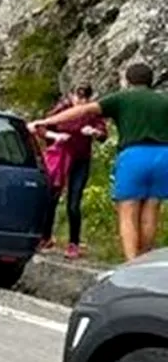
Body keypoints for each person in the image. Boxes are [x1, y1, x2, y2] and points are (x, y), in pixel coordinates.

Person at [29, 63, 168, 261]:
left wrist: (46, 122)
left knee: (128, 211)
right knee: (151, 209)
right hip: (164, 155)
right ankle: (144, 261)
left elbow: (82, 112)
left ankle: (131, 263)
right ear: (151, 80)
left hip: (134, 154)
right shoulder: (164, 100)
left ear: (127, 80)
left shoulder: (123, 98)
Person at [37, 85, 107, 258]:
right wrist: (56, 137)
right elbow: (42, 128)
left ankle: (73, 243)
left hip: (80, 160)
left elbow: (103, 135)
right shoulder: (62, 109)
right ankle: (45, 237)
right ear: (72, 96)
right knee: (51, 197)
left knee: (74, 202)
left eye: (85, 98)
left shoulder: (92, 113)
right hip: (61, 157)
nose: (81, 101)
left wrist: (94, 132)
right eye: (79, 97)